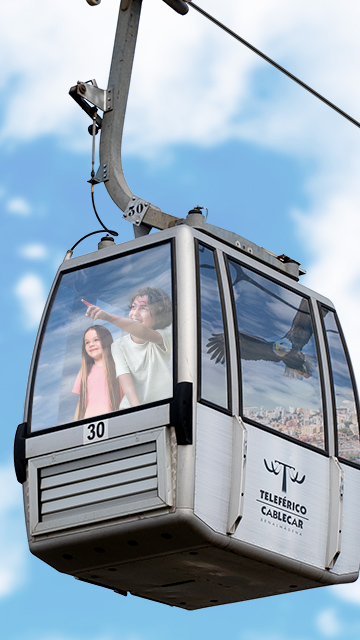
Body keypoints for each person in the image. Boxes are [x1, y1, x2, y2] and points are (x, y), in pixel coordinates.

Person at [82, 287, 172, 409]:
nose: (135, 313)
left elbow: (142, 332)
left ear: (159, 317)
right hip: (132, 410)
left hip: (162, 408)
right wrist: (137, 411)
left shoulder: (164, 336)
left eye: (144, 308)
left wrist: (107, 316)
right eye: (133, 307)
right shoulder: (118, 346)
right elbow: (127, 385)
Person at [72, 325, 121, 420]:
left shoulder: (118, 367)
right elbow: (80, 403)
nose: (91, 344)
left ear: (106, 341)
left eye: (96, 340)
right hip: (89, 427)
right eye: (87, 342)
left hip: (113, 423)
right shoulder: (84, 372)